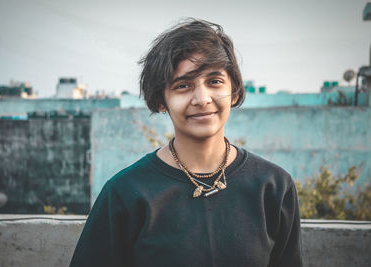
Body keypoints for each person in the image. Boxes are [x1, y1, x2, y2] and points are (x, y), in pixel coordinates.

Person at [70, 18, 303, 267]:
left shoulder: (274, 187)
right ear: (161, 100)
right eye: (183, 85)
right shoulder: (125, 194)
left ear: (234, 91)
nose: (202, 99)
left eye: (214, 81)